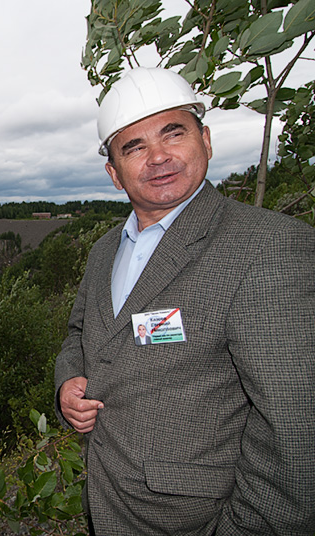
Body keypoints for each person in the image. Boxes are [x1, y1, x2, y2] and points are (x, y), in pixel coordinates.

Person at [54, 67, 315, 535]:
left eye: (173, 133)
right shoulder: (103, 252)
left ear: (206, 140)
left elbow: (297, 438)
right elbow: (81, 334)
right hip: (110, 505)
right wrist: (67, 382)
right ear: (114, 173)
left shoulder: (270, 247)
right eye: (134, 146)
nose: (158, 157)